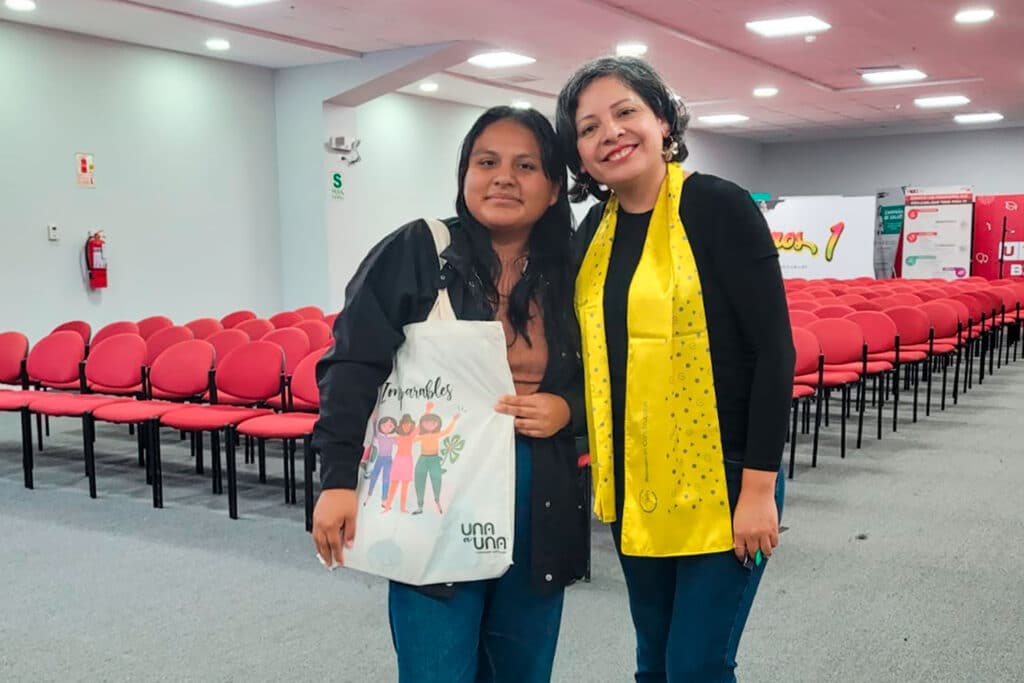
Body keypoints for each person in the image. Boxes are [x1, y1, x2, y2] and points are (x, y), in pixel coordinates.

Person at [311, 105, 589, 682]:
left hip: (538, 491)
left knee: (521, 669)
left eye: (526, 165)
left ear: (555, 187)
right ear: (465, 175)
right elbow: (352, 365)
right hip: (435, 489)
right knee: (436, 668)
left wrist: (569, 409)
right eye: (487, 162)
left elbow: (616, 377)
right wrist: (337, 481)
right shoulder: (417, 250)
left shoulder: (576, 269)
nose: (503, 177)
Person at [555, 56, 794, 682]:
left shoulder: (718, 206)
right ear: (578, 154)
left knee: (696, 666)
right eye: (588, 127)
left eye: (625, 111)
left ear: (663, 120)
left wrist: (760, 492)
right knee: (653, 662)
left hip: (728, 476)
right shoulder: (590, 235)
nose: (610, 132)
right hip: (637, 481)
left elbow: (774, 351)